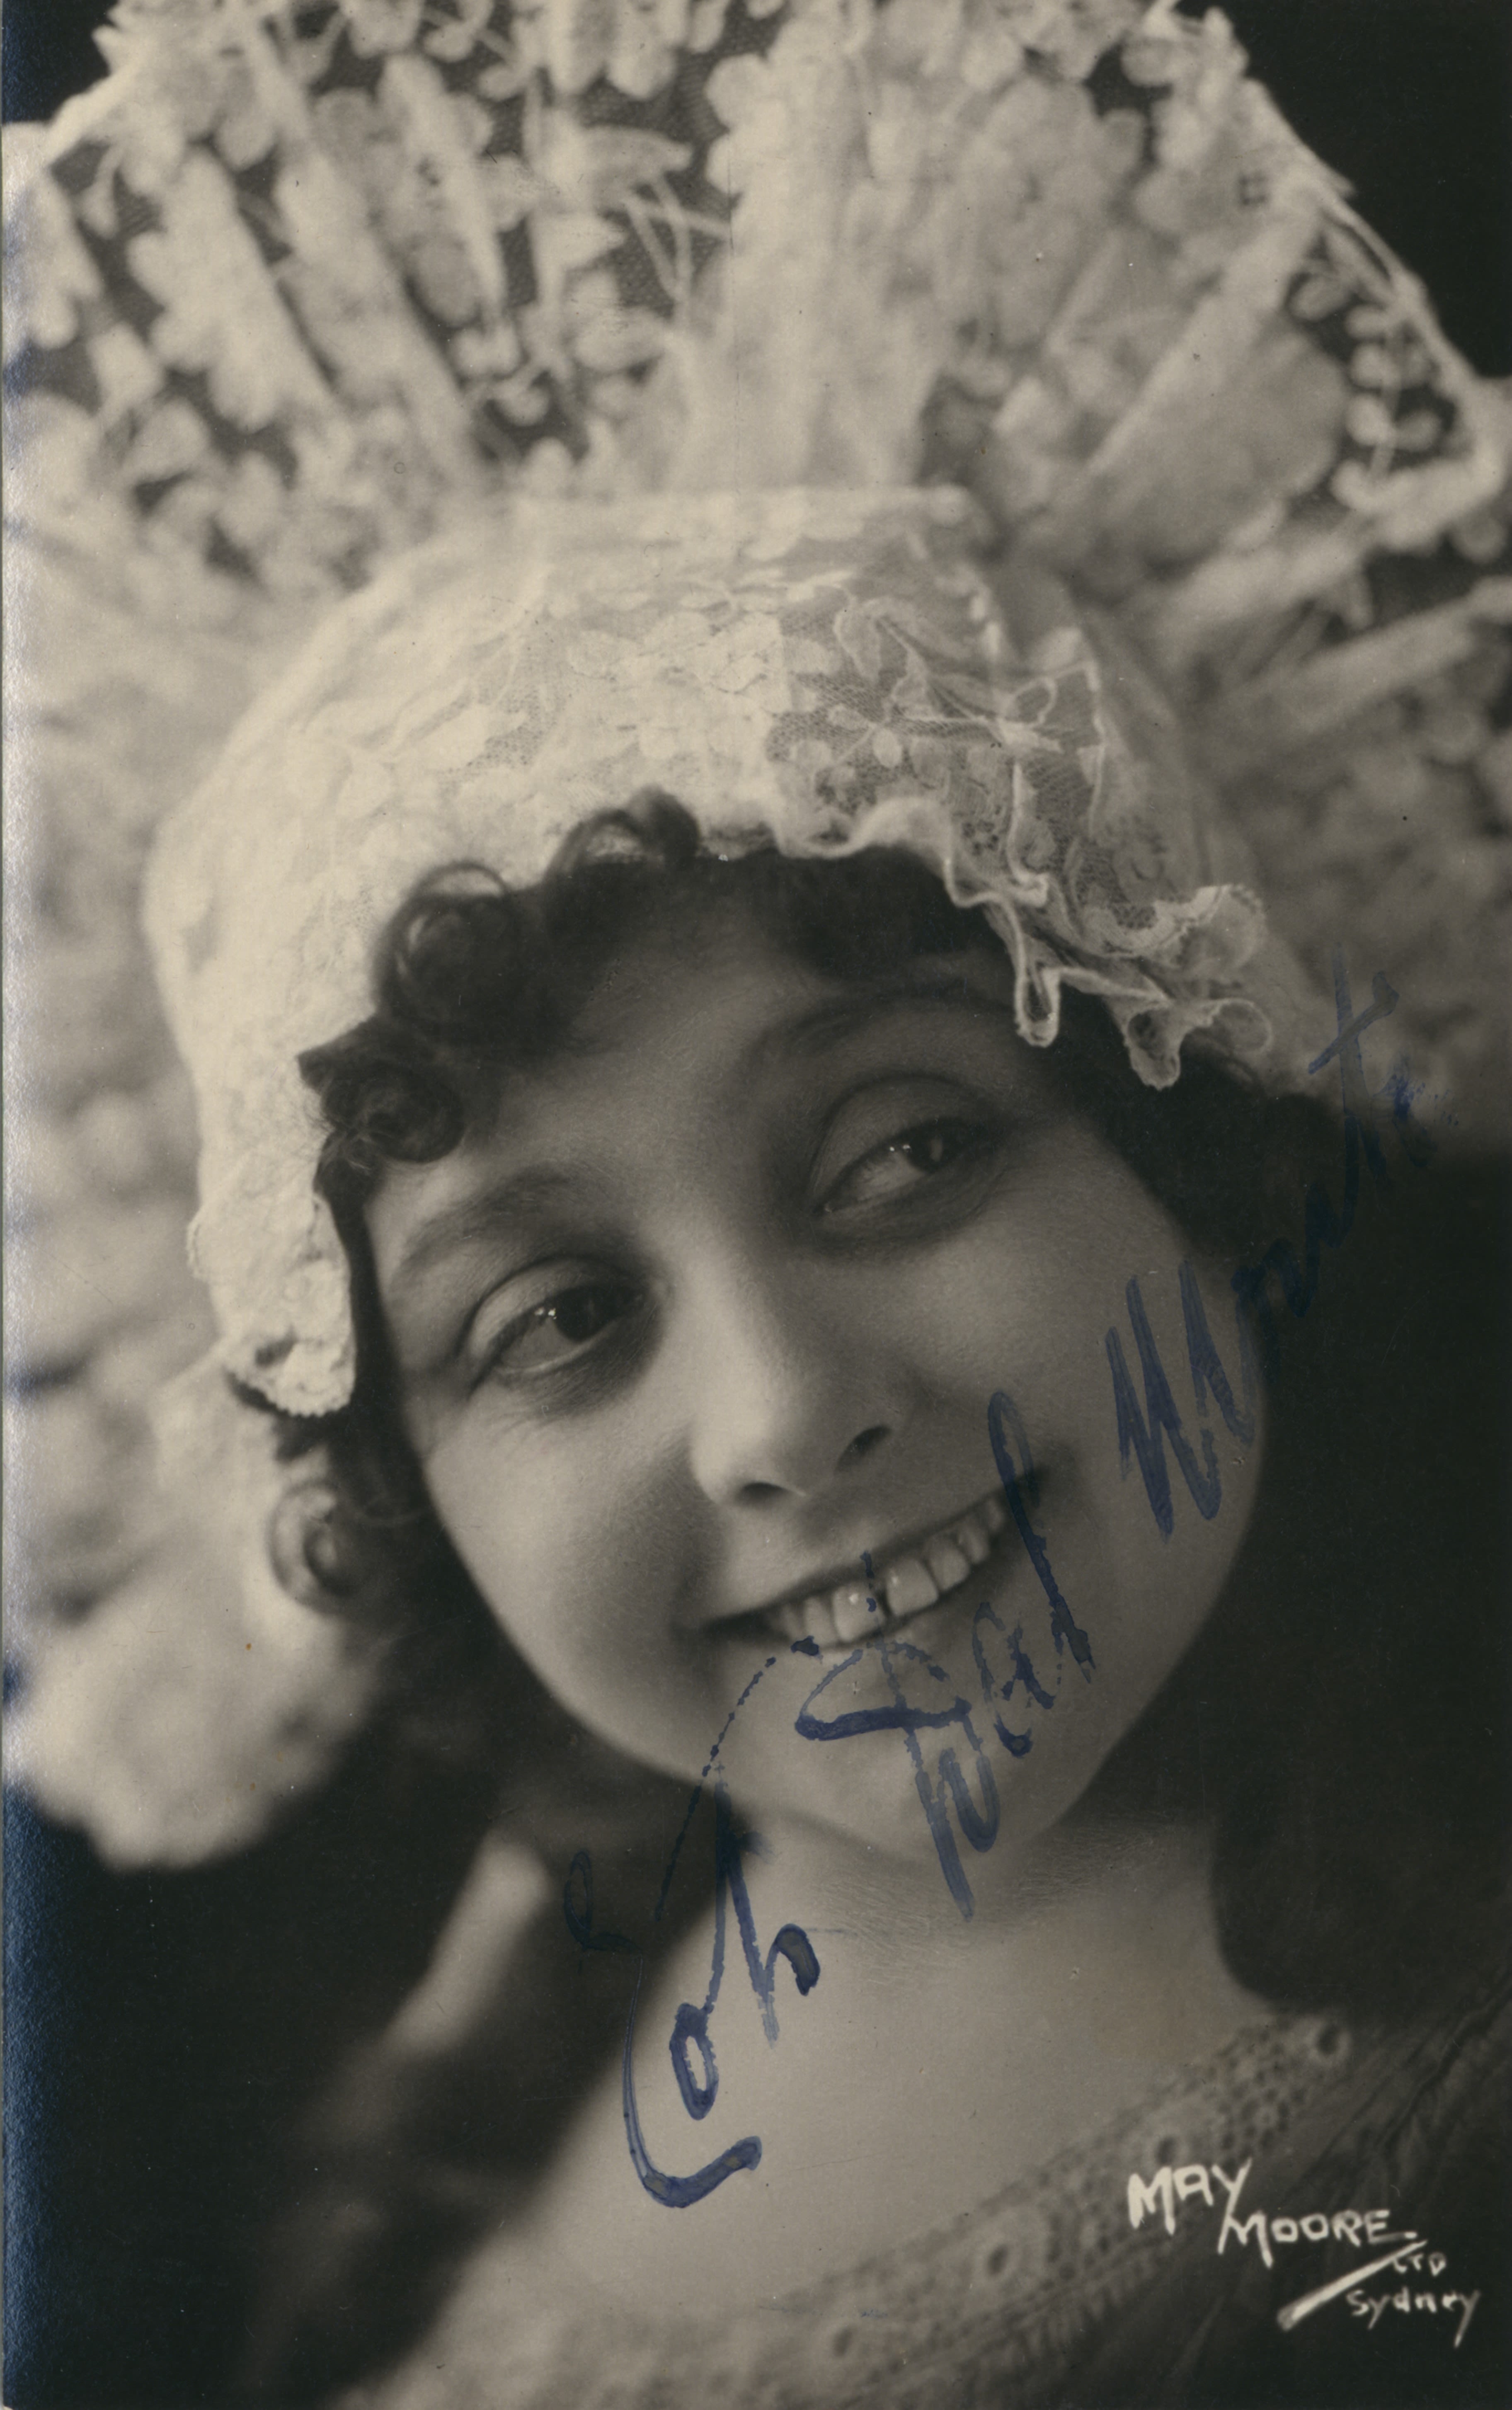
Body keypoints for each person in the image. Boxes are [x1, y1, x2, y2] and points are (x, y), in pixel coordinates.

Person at [6, 4, 1509, 2406]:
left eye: (907, 1152)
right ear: (417, 1502)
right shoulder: (513, 2044)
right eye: (560, 1313)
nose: (789, 1408)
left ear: (1192, 1136)